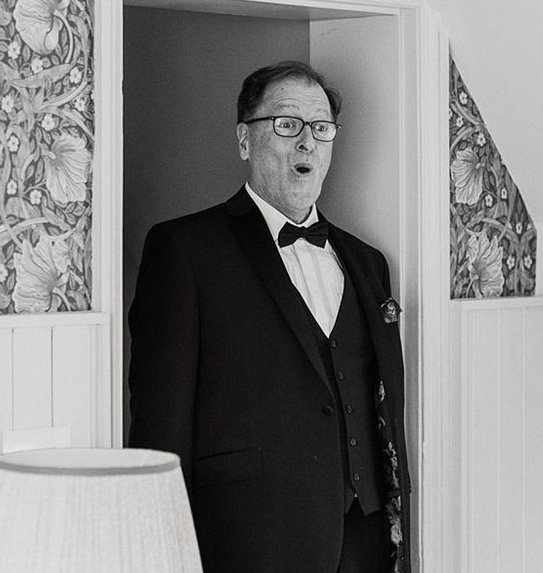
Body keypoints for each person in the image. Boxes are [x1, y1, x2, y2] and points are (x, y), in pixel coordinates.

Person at [127, 61, 411, 573]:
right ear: (244, 140)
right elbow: (159, 425)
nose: (307, 142)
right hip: (247, 541)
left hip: (366, 540)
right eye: (287, 124)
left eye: (321, 129)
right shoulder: (184, 250)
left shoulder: (369, 263)